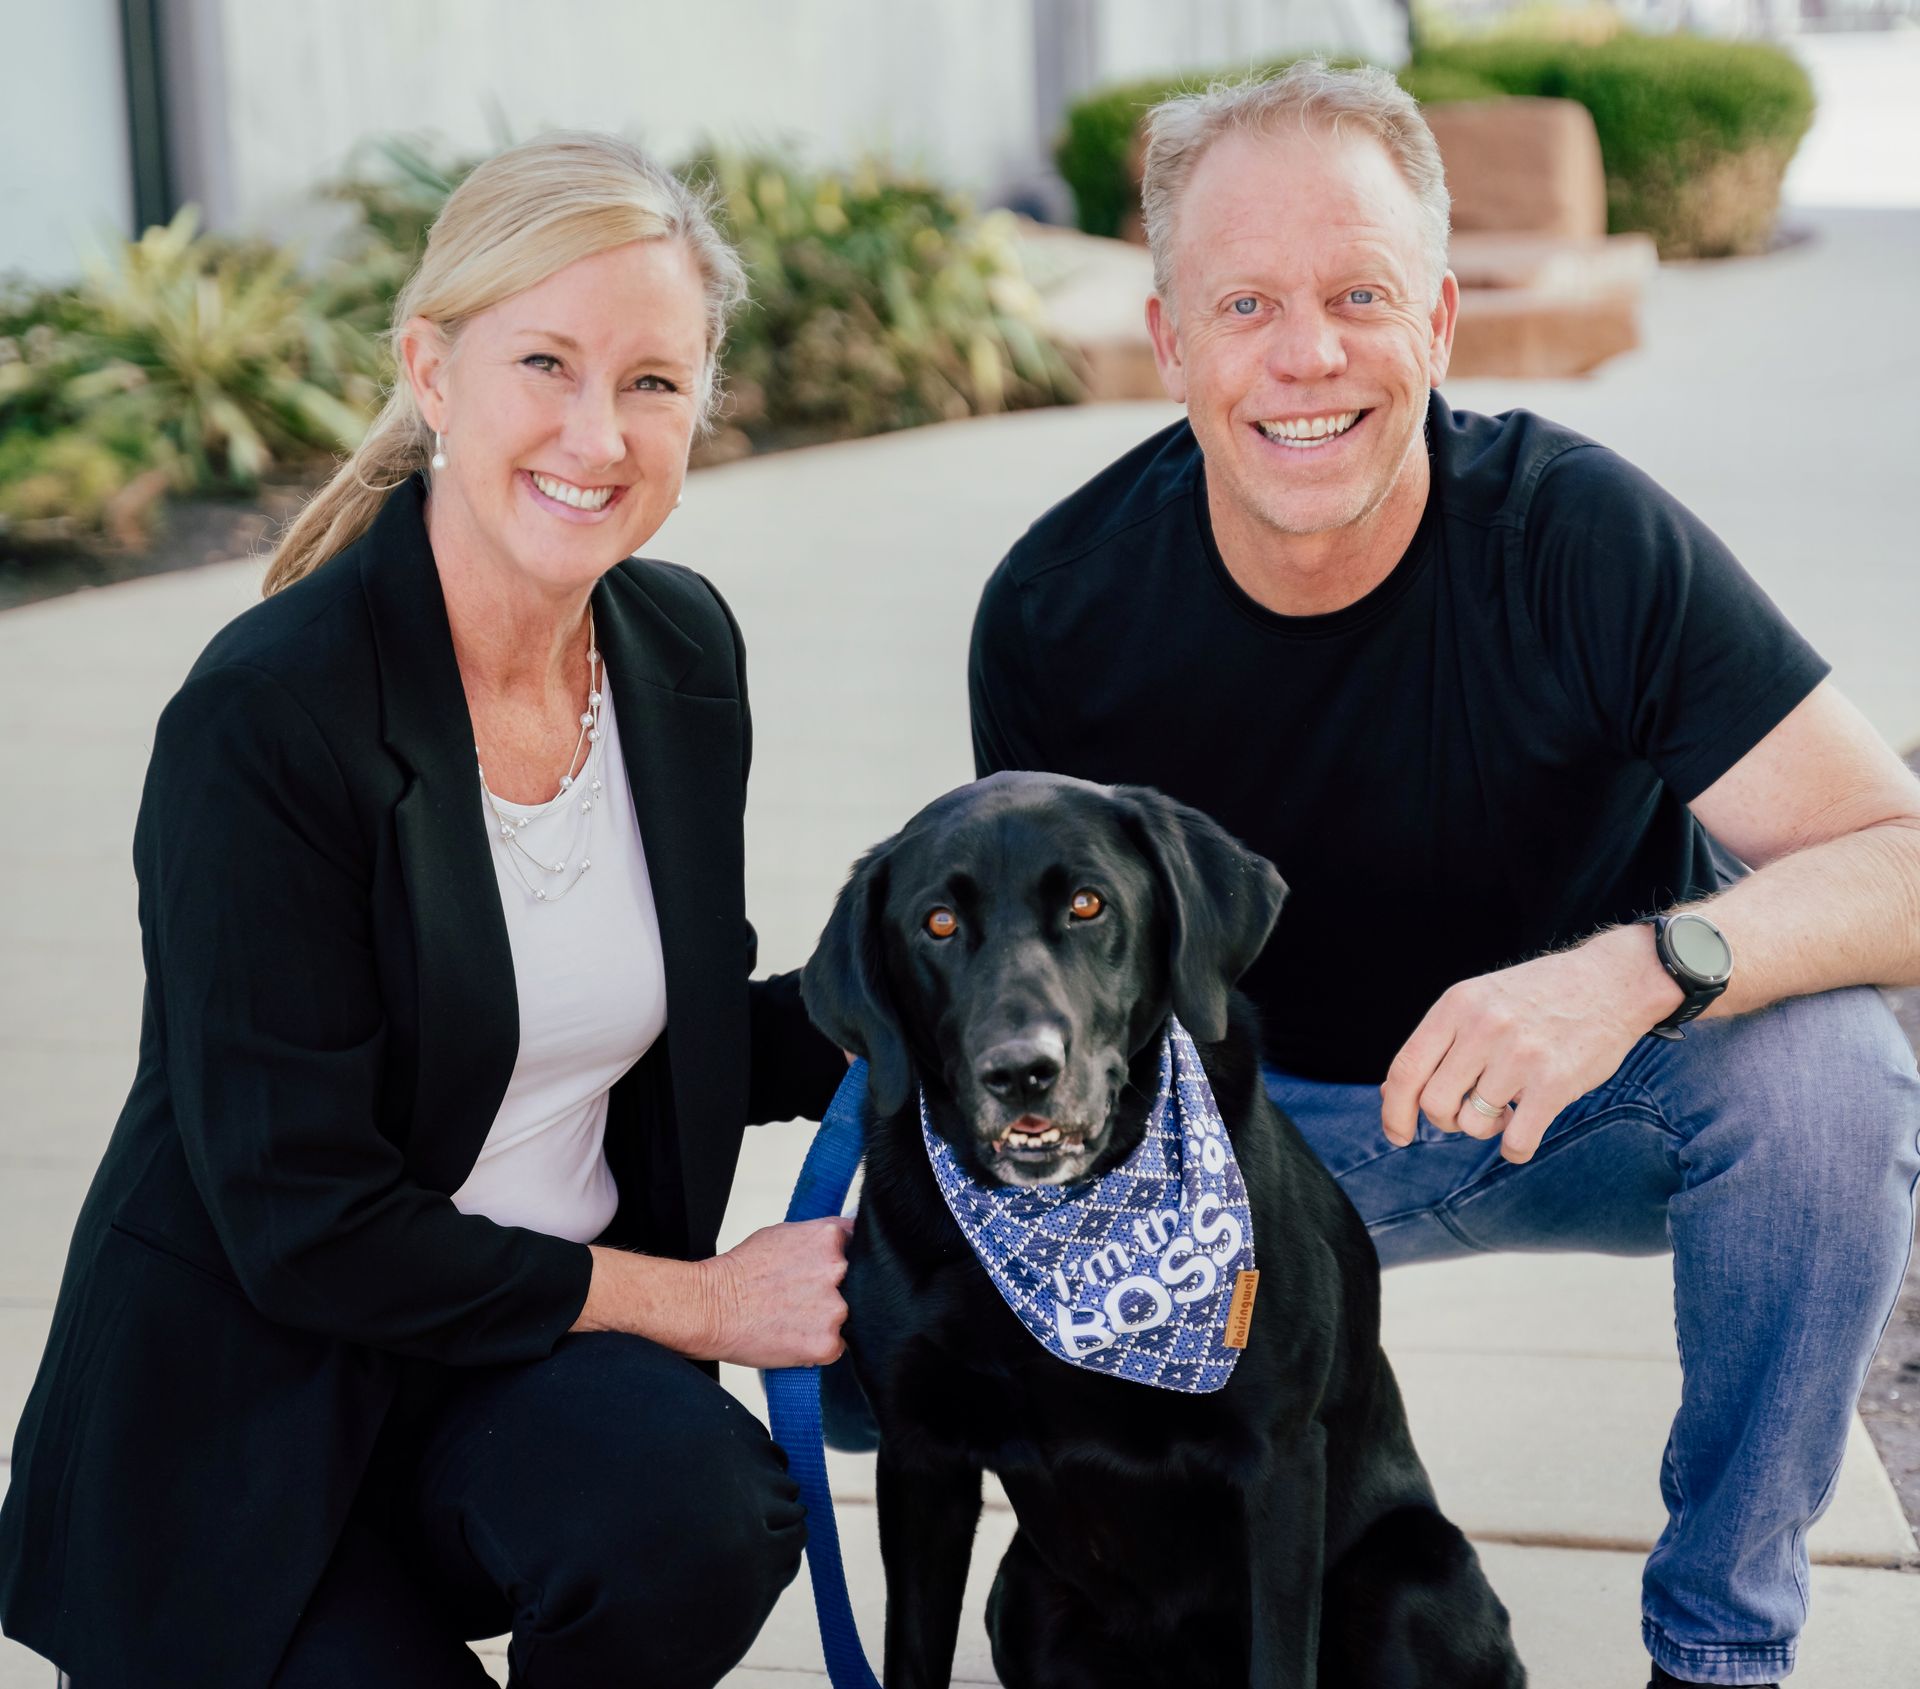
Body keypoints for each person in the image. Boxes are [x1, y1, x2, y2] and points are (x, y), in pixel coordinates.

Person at [968, 62, 1920, 1689]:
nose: (1307, 353)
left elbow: (1895, 854)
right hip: (1245, 1158)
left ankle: (1720, 1650)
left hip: (1589, 1103)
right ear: (1172, 339)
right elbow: (1027, 1001)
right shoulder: (1056, 613)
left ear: (1442, 320)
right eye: (1248, 301)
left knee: (1839, 1078)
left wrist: (1634, 970)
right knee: (872, 1340)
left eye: (1358, 294)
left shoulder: (1581, 539)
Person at [0, 133, 855, 1689]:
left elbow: (665, 1023)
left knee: (707, 1507)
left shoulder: (680, 652)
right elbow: (310, 1225)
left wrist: (938, 995)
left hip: (512, 1391)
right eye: (547, 361)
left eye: (656, 381)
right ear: (432, 370)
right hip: (246, 1424)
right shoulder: (269, 718)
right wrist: (709, 1302)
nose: (601, 432)